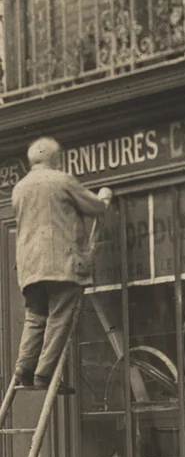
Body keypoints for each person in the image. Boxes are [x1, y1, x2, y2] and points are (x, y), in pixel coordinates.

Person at [11, 136, 112, 393]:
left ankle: (24, 369)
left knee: (35, 318)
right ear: (55, 158)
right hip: (61, 265)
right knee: (59, 317)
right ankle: (44, 374)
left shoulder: (19, 188)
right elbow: (94, 207)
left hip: (30, 268)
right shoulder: (61, 180)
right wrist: (104, 197)